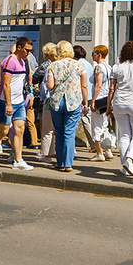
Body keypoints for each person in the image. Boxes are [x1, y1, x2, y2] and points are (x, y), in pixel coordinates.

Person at [0, 38, 34, 169]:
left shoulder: (23, 62)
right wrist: (8, 103)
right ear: (19, 48)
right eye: (27, 50)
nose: (29, 53)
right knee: (4, 131)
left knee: (19, 129)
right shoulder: (9, 62)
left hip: (19, 101)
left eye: (30, 50)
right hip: (7, 101)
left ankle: (18, 160)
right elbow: (5, 84)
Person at [43, 41, 86, 172]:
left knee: (59, 131)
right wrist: (86, 102)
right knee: (69, 132)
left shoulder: (53, 65)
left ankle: (60, 162)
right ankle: (68, 164)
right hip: (73, 101)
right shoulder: (79, 65)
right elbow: (84, 85)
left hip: (56, 101)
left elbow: (50, 86)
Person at [110, 40, 133, 181]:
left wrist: (109, 105)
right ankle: (130, 160)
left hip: (119, 102)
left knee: (124, 135)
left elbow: (112, 89)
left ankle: (124, 166)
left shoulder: (117, 67)